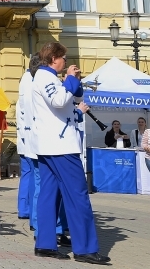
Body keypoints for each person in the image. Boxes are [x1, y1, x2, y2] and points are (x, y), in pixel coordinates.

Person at [32, 41, 109, 264]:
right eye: (63, 58)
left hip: (51, 145)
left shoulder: (50, 78)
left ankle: (45, 244)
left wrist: (73, 82)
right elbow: (58, 101)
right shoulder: (46, 77)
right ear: (53, 59)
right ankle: (84, 248)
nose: (66, 62)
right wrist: (70, 79)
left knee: (49, 195)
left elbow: (72, 98)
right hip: (61, 146)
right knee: (77, 195)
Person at [16, 54, 41, 220]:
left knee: (27, 174)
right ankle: (31, 211)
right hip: (31, 139)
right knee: (33, 175)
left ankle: (24, 208)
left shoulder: (24, 81)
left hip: (24, 138)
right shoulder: (31, 81)